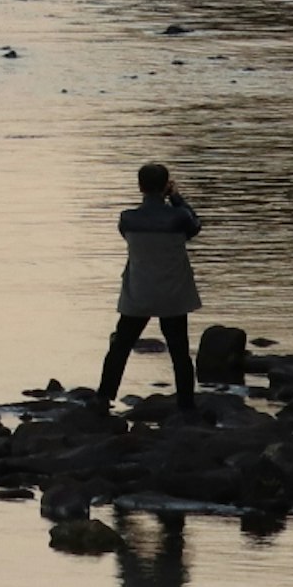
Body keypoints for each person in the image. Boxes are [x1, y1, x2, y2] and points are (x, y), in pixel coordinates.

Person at [93, 163, 204, 413]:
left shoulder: (128, 218)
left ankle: (103, 397)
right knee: (179, 352)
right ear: (165, 185)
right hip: (173, 294)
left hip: (139, 293)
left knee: (120, 347)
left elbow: (127, 235)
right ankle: (186, 403)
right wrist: (176, 197)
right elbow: (195, 226)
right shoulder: (179, 217)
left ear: (140, 187)